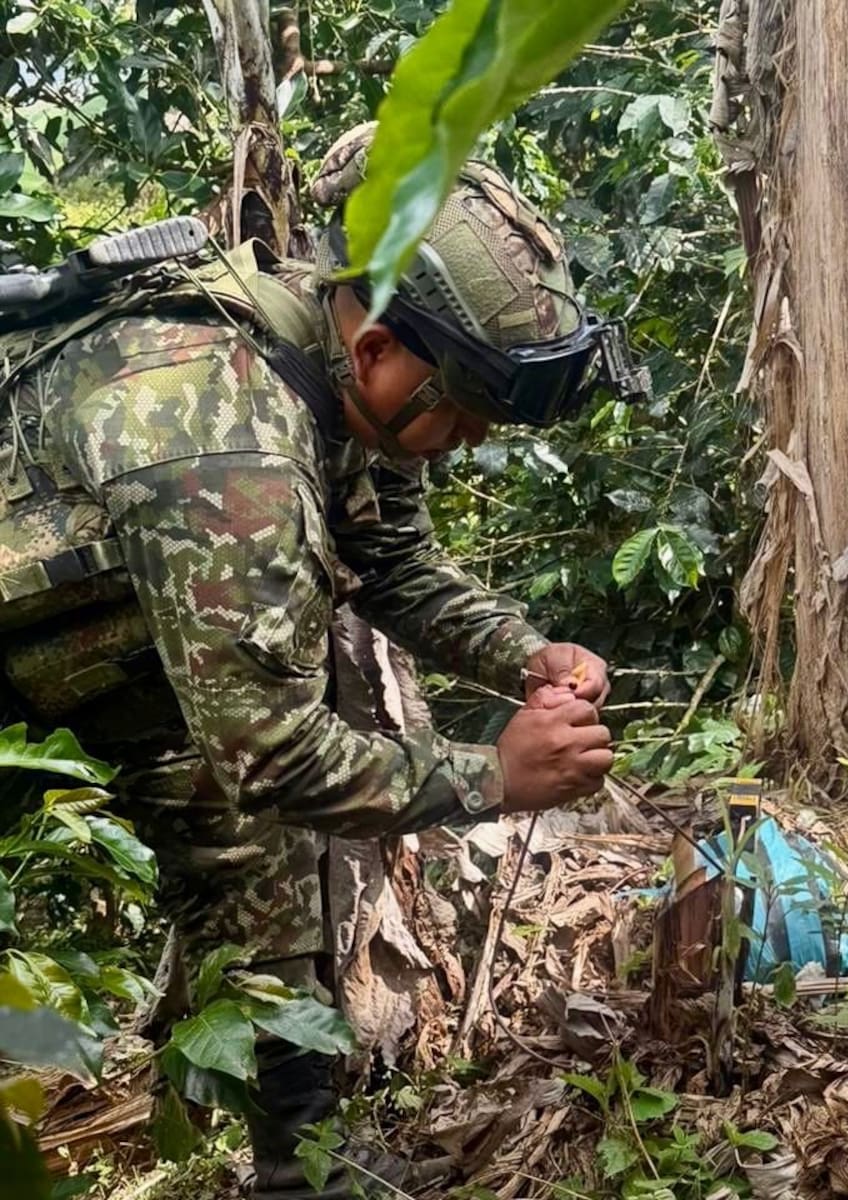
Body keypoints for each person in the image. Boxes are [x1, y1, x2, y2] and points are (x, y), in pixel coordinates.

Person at [0, 122, 647, 1196]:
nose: (473, 442)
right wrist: (497, 775)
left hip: (91, 654)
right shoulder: (223, 444)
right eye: (468, 414)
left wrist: (526, 655)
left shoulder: (339, 374)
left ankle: (299, 1169)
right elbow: (273, 753)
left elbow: (390, 556)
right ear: (378, 348)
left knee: (257, 867)